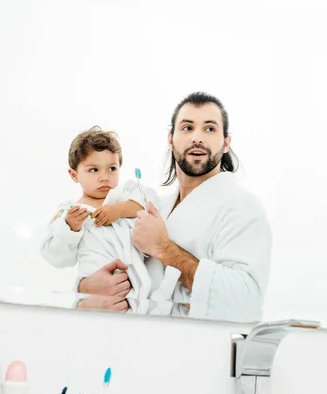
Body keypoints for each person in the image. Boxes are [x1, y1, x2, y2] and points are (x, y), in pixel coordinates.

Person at [78, 92, 272, 322]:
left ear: (226, 143)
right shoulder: (154, 205)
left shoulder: (242, 207)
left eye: (210, 129)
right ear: (170, 140)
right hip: (134, 343)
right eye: (187, 128)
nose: (197, 137)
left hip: (196, 351)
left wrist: (163, 248)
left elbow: (245, 300)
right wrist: (86, 288)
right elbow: (108, 255)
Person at [40, 126, 158, 312]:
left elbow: (148, 203)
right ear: (74, 175)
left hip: (136, 292)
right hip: (95, 295)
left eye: (112, 168)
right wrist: (70, 228)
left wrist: (118, 210)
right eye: (94, 170)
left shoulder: (125, 196)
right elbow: (56, 257)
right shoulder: (69, 213)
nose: (105, 177)